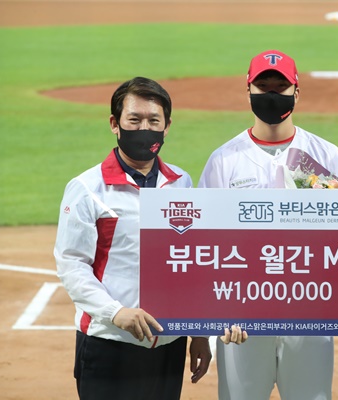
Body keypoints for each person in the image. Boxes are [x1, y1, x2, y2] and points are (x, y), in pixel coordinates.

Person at [54, 76, 245, 400]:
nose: (145, 128)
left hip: (168, 344)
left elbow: (191, 262)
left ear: (167, 126)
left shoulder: (182, 183)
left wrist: (199, 334)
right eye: (134, 119)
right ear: (115, 124)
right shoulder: (87, 188)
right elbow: (72, 263)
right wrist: (115, 312)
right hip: (109, 342)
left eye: (154, 121)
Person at [198, 50, 338, 400]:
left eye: (280, 87)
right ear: (248, 91)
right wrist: (216, 317)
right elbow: (203, 243)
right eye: (263, 86)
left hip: (309, 309)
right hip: (242, 315)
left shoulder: (327, 155)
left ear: (297, 92)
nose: (271, 94)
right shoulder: (223, 160)